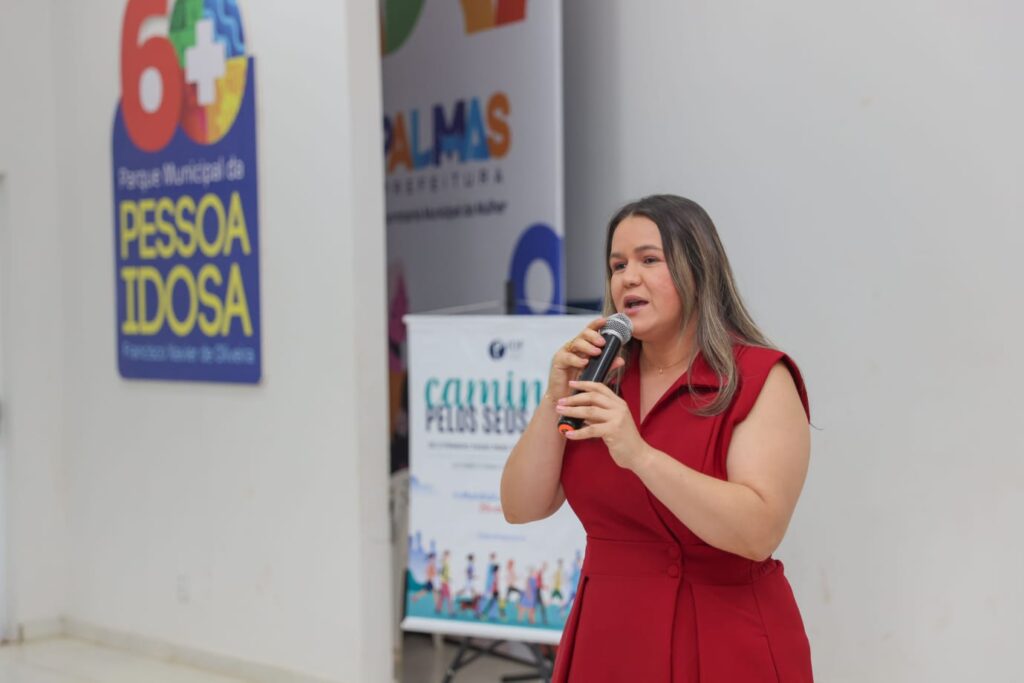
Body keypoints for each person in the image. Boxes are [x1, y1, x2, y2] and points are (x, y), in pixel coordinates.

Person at [500, 195, 813, 682]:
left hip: (722, 637)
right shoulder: (601, 381)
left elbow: (758, 533)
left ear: (699, 270)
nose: (628, 278)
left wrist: (640, 455)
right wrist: (554, 397)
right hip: (608, 637)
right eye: (617, 265)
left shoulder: (758, 377)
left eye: (649, 260)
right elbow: (520, 507)